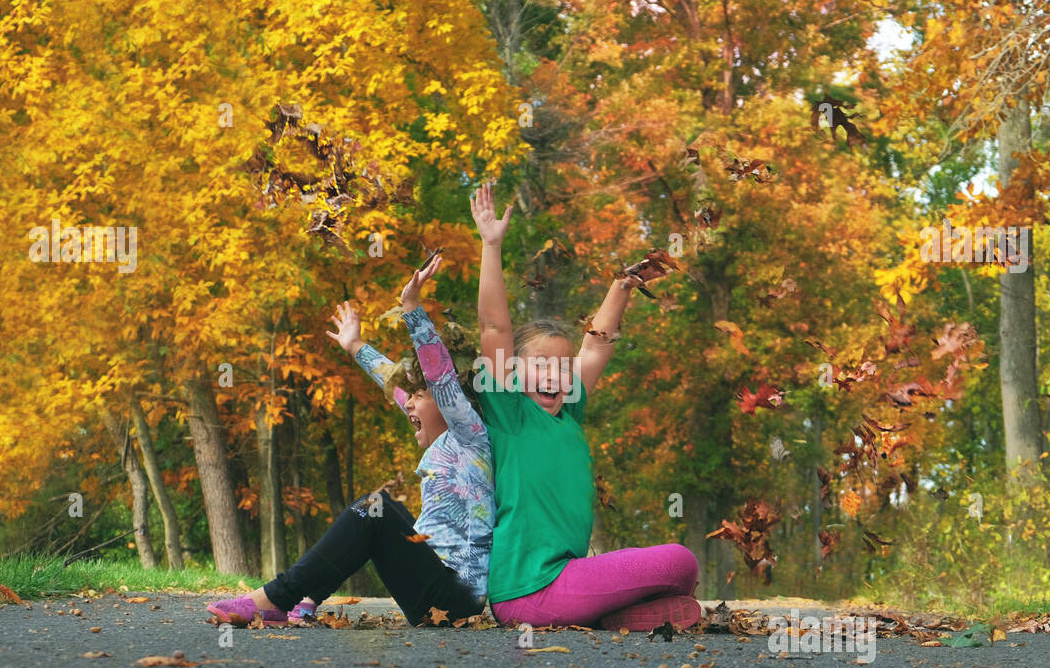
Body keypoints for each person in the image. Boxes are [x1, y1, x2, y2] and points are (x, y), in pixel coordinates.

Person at [206, 254, 494, 627]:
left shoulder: (471, 437)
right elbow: (392, 383)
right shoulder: (447, 438)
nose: (408, 403)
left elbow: (439, 378)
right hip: (435, 585)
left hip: (454, 600)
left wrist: (412, 308)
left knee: (376, 508)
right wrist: (354, 345)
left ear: (447, 402)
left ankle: (275, 597)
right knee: (380, 510)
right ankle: (306, 596)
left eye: (419, 396)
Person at [469, 183, 701, 631]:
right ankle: (606, 612)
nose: (554, 375)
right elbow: (494, 325)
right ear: (511, 373)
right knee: (679, 561)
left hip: (564, 583)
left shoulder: (568, 413)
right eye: (539, 365)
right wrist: (491, 245)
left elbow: (595, 349)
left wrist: (621, 287)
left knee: (684, 570)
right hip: (528, 590)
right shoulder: (510, 416)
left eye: (561, 366)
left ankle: (618, 616)